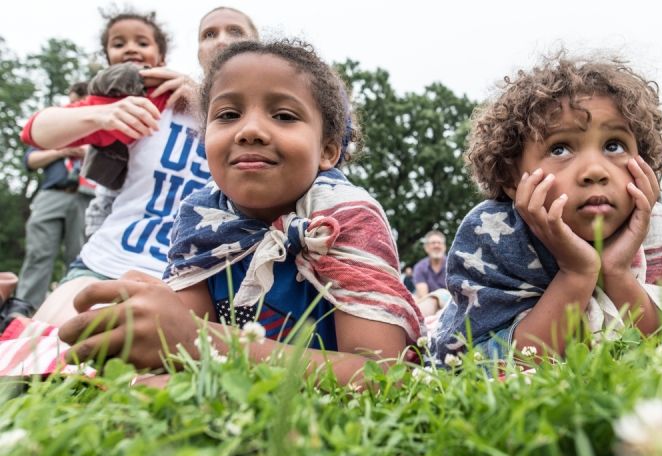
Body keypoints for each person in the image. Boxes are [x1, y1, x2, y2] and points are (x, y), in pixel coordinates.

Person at [58, 39, 423, 387]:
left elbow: (381, 375)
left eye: (283, 115)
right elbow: (181, 351)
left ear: (327, 150)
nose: (249, 131)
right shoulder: (200, 217)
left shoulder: (346, 216)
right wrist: (149, 321)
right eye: (228, 114)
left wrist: (202, 341)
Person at [430, 53, 662, 364]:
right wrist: (577, 272)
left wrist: (616, 272)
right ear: (513, 179)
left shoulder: (657, 230)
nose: (595, 170)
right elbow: (498, 360)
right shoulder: (493, 234)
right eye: (560, 148)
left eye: (614, 146)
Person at [18, 8, 260, 327]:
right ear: (198, 50)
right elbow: (37, 131)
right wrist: (102, 116)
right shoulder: (162, 99)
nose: (222, 40)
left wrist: (205, 98)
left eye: (235, 31)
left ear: (258, 46)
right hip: (107, 262)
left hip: (195, 283)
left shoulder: (269, 120)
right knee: (43, 346)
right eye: (209, 34)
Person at [9, 82, 92, 317]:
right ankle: (21, 313)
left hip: (86, 197)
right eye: (72, 100)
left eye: (80, 100)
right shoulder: (57, 128)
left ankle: (72, 315)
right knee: (38, 254)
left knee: (80, 256)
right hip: (53, 194)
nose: (74, 105)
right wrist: (62, 151)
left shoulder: (98, 124)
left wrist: (86, 152)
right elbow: (31, 161)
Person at [412, 230, 450, 316]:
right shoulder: (420, 267)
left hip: (449, 303)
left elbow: (453, 293)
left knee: (440, 295)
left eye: (439, 243)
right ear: (426, 248)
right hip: (427, 302)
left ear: (444, 247)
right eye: (433, 243)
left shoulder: (453, 264)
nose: (436, 245)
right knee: (412, 297)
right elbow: (423, 294)